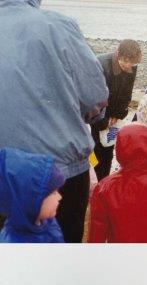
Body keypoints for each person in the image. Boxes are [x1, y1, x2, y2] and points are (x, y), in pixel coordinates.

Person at [0, 0, 108, 243]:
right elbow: (95, 97)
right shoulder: (57, 25)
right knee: (60, 264)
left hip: (7, 174)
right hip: (59, 173)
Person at [91, 39, 142, 181]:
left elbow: (127, 93)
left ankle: (103, 182)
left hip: (113, 115)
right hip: (96, 115)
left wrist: (118, 114)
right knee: (94, 151)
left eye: (132, 62)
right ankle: (92, 185)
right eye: (125, 61)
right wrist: (101, 121)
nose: (128, 66)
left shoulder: (132, 66)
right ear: (118, 53)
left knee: (107, 149)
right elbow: (92, 98)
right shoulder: (100, 65)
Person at [0, 148, 64, 243]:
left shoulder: (49, 223)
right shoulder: (12, 245)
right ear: (32, 202)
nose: (60, 197)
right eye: (53, 193)